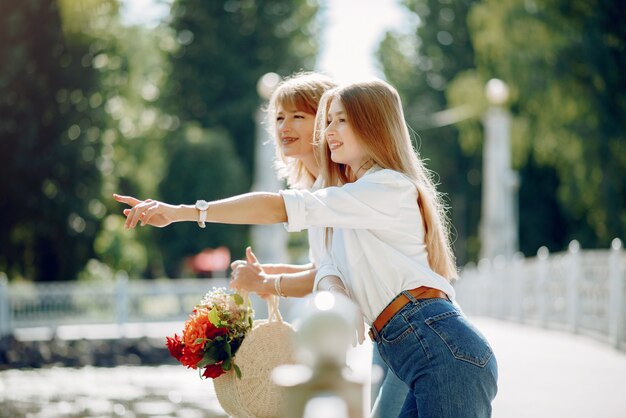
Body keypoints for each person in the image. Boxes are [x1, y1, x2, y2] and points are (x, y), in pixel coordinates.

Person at [115, 79, 497, 417]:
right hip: (418, 347)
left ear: (374, 126)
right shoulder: (350, 197)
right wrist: (319, 292)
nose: (327, 131)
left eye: (339, 120)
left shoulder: (384, 188)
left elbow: (278, 208)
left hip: (439, 346)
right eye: (328, 120)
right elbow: (329, 269)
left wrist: (183, 212)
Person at [226, 71, 409, 417]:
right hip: (386, 335)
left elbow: (324, 274)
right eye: (279, 117)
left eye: (298, 116)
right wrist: (266, 275)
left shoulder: (343, 188)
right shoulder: (317, 187)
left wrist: (265, 282)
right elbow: (323, 270)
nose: (284, 126)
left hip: (406, 328)